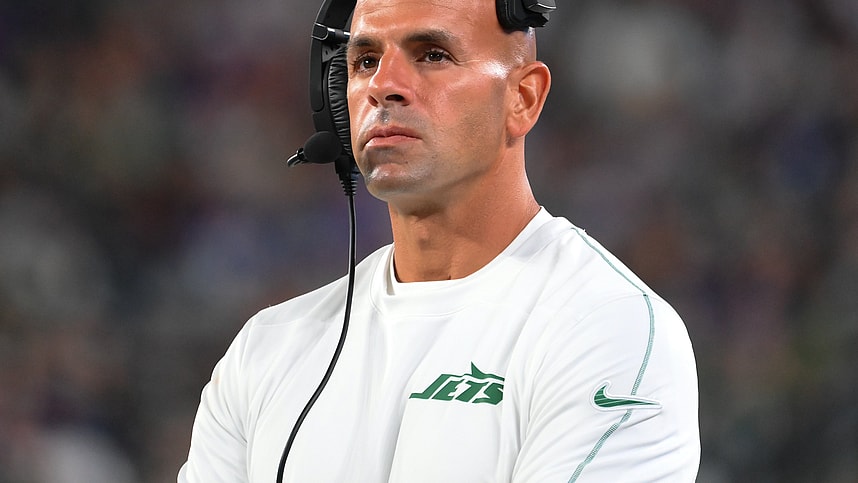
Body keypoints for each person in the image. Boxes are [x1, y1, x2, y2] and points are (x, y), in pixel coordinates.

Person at [178, 0, 700, 481]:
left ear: (523, 97)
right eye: (363, 61)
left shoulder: (609, 329)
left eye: (432, 55)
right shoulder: (266, 349)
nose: (383, 84)